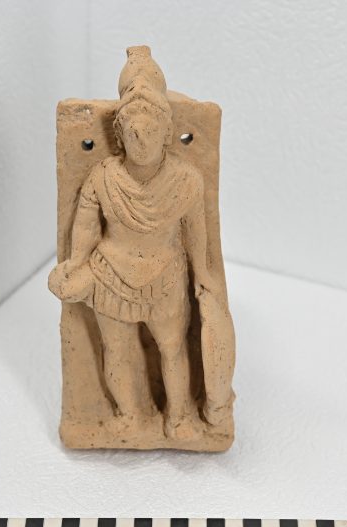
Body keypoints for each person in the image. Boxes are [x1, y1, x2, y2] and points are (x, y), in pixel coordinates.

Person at [49, 46, 215, 441]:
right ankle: (128, 415)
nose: (142, 139)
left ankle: (179, 416)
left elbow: (197, 233)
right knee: (116, 349)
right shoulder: (104, 176)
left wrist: (203, 275)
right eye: (132, 132)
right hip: (109, 275)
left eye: (151, 130)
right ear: (119, 136)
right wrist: (76, 263)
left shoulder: (186, 180)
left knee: (172, 347)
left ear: (167, 132)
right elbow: (85, 225)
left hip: (166, 277)